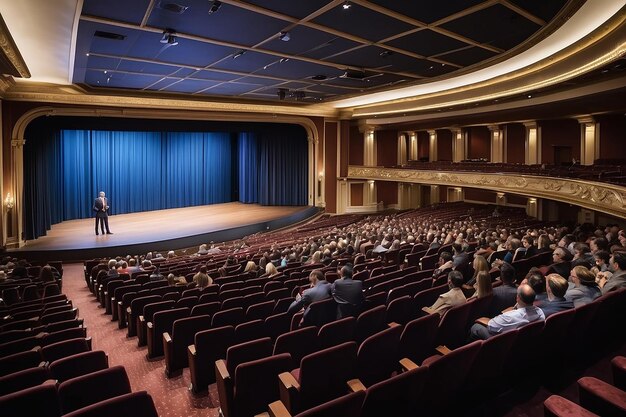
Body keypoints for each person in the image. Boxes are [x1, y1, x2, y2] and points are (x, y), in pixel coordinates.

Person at [469, 284, 545, 340]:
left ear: (518, 298)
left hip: (503, 341)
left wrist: (480, 320)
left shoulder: (509, 317)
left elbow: (491, 327)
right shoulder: (540, 312)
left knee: (476, 327)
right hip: (527, 339)